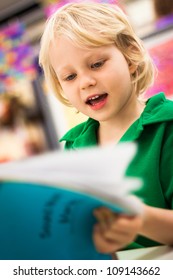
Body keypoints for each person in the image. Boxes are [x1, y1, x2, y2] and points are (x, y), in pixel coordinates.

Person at [39, 2, 173, 256]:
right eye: (70, 77)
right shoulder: (74, 149)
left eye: (97, 64)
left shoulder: (167, 127)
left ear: (130, 56)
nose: (86, 82)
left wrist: (138, 218)